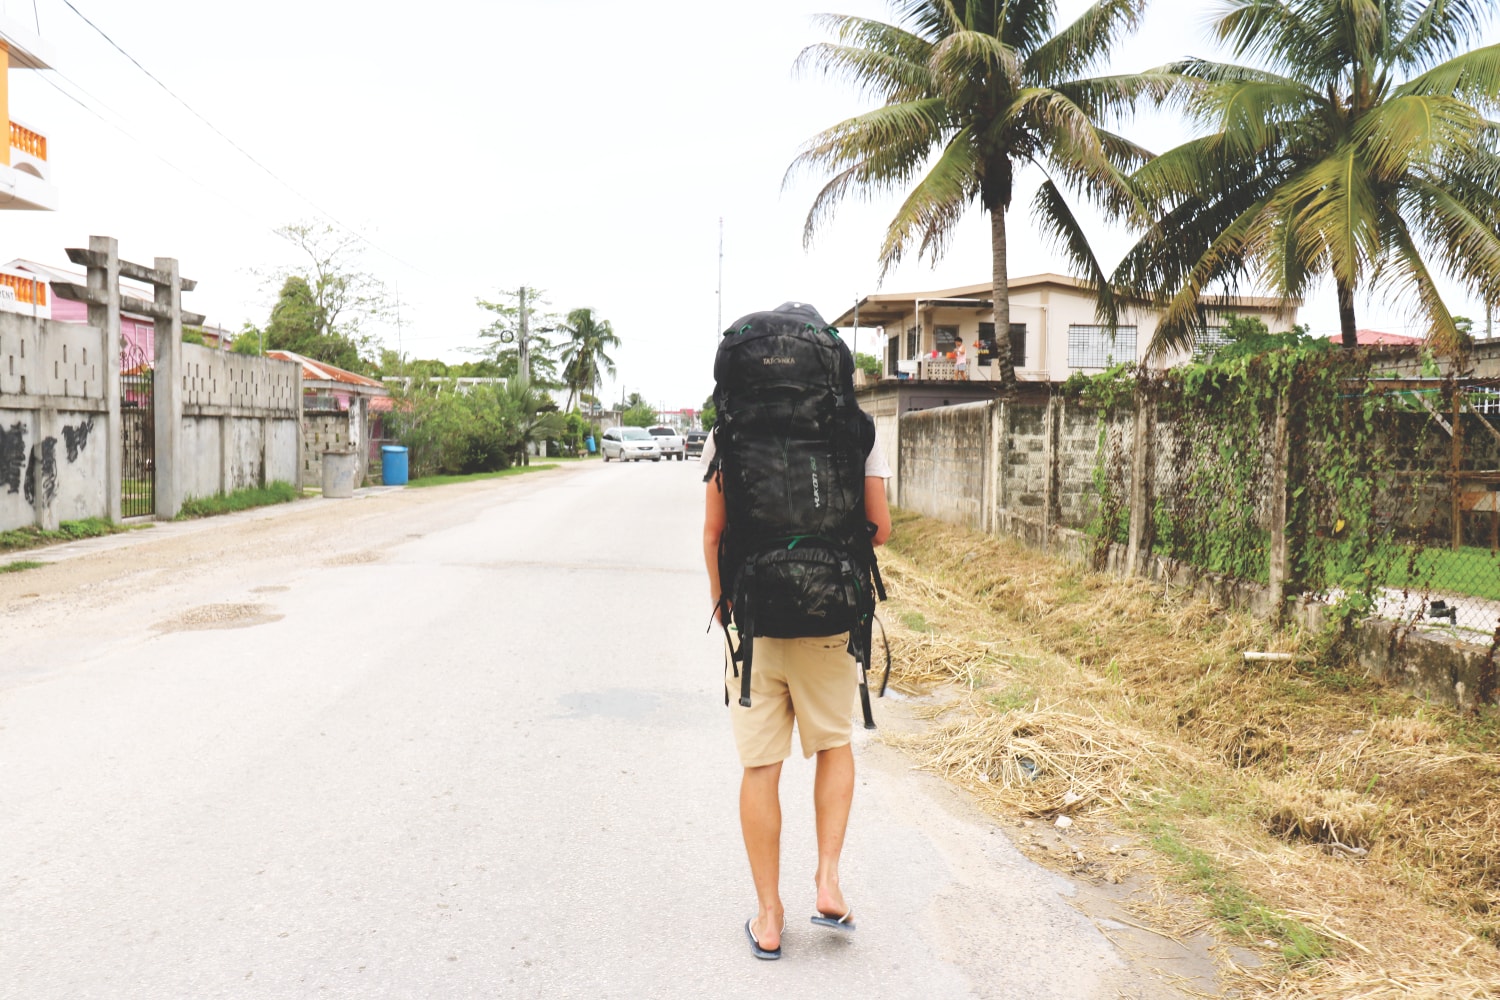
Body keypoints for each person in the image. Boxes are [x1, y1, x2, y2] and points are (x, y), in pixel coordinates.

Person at [701, 428, 892, 960]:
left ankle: (768, 918)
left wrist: (724, 611)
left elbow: (714, 534)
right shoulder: (852, 425)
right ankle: (828, 881)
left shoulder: (731, 426)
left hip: (754, 623)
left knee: (761, 766)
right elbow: (880, 530)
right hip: (827, 618)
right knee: (833, 745)